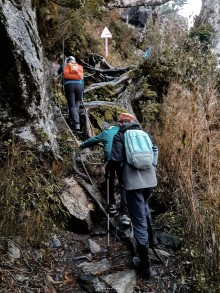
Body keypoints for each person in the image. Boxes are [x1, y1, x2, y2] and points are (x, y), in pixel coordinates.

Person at [110, 112, 158, 278]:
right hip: (150, 180)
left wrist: (112, 170)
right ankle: (154, 241)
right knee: (144, 207)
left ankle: (145, 267)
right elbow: (154, 154)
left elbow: (115, 159)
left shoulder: (120, 135)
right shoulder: (145, 134)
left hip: (133, 183)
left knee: (138, 221)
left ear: (121, 123)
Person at [76, 122, 131, 225]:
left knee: (109, 181)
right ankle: (125, 214)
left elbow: (93, 140)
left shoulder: (106, 132)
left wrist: (81, 145)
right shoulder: (123, 133)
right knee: (123, 185)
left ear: (109, 128)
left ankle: (112, 206)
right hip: (122, 161)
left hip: (110, 160)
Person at [57, 56, 84, 131]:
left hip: (69, 86)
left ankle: (76, 124)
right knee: (76, 105)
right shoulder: (79, 67)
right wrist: (82, 95)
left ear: (68, 61)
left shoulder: (65, 65)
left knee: (72, 106)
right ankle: (75, 123)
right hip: (79, 86)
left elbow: (58, 72)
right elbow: (83, 80)